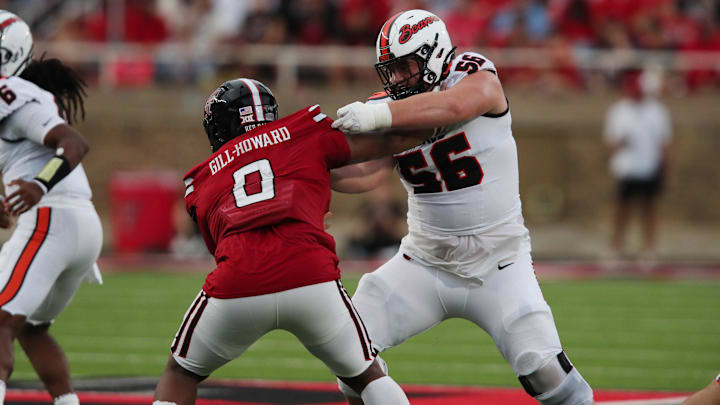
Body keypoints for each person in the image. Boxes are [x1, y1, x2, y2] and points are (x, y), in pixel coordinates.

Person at [330, 9, 594, 405]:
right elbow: (367, 173)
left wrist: (377, 114)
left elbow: (453, 107)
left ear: (434, 53)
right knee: (349, 352)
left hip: (498, 263)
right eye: (391, 70)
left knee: (546, 374)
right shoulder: (390, 105)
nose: (398, 79)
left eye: (405, 66)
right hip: (424, 261)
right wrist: (307, 172)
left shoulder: (473, 75)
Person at [153, 78, 425, 405]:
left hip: (240, 280)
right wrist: (415, 116)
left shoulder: (202, 180)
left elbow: (220, 244)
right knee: (366, 374)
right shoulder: (302, 131)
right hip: (311, 274)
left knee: (180, 373)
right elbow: (379, 152)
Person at [0, 10, 103, 405]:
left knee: (1, 324)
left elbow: (73, 144)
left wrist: (38, 184)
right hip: (81, 224)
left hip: (52, 218)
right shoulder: (21, 93)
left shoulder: (12, 92)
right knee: (31, 329)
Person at [603, 69, 672, 261]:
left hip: (649, 167)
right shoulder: (619, 110)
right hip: (626, 169)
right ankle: (615, 248)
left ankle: (649, 250)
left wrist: (665, 168)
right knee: (621, 210)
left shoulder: (657, 111)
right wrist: (621, 143)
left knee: (648, 209)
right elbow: (612, 141)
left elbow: (664, 143)